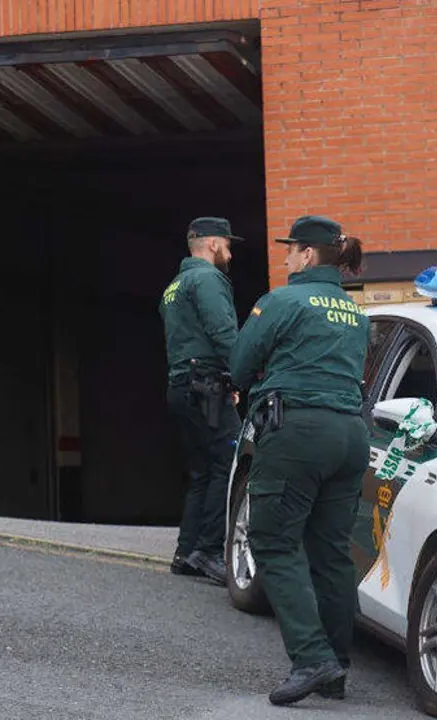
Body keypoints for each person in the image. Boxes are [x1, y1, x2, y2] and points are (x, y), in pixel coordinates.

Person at [229, 215, 369, 705]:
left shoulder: (282, 301)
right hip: (351, 434)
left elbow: (240, 364)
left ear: (308, 254)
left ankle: (311, 659)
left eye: (291, 250)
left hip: (298, 432)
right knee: (330, 550)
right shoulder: (357, 314)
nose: (286, 258)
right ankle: (336, 667)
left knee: (272, 539)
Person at [159, 216, 244, 585]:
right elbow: (223, 332)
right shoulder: (208, 279)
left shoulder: (174, 285)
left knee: (202, 471)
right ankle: (209, 551)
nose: (229, 253)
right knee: (227, 463)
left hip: (182, 386)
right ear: (212, 244)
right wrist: (244, 372)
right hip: (206, 387)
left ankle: (186, 552)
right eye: (227, 245)